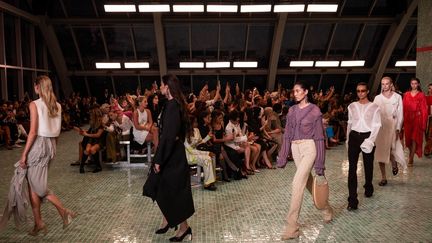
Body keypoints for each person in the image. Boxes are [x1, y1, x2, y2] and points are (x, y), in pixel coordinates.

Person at [17, 76, 76, 235]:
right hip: (50, 146)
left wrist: (24, 155)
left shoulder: (34, 104)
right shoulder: (57, 105)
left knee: (38, 186)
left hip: (39, 145)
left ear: (37, 87)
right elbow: (56, 132)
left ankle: (64, 211)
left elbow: (33, 132)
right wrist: (53, 148)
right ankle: (38, 223)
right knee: (33, 185)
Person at [277, 81, 333, 240]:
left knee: (296, 183)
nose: (295, 94)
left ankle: (292, 226)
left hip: (309, 148)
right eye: (293, 91)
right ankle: (326, 208)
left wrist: (320, 166)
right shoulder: (292, 110)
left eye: (297, 91)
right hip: (295, 148)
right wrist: (282, 156)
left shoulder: (315, 111)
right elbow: (287, 134)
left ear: (306, 92)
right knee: (307, 182)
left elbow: (320, 138)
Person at [151, 74, 194, 242]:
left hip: (172, 157)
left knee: (172, 192)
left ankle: (184, 228)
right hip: (170, 153)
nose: (159, 87)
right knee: (161, 189)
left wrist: (159, 160)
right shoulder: (170, 104)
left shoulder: (173, 106)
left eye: (161, 85)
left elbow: (169, 136)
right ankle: (168, 219)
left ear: (167, 86)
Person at [346, 82, 381, 211]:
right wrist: (347, 140)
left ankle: (368, 186)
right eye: (358, 91)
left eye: (363, 91)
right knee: (352, 169)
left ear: (367, 92)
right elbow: (350, 123)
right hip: (354, 137)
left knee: (368, 165)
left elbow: (377, 125)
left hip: (368, 136)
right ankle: (352, 200)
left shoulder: (375, 107)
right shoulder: (351, 106)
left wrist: (370, 140)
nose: (360, 93)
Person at [373, 77, 406, 186]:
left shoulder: (397, 97)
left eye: (387, 84)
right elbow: (373, 114)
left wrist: (398, 129)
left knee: (392, 148)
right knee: (381, 152)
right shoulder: (377, 98)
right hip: (381, 127)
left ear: (391, 84)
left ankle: (394, 164)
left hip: (393, 125)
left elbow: (400, 114)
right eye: (383, 84)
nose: (384, 86)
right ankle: (383, 178)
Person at [402, 77, 428, 166]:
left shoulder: (421, 95)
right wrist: (401, 122)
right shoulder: (406, 94)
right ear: (410, 84)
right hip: (408, 120)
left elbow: (424, 109)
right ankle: (411, 153)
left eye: (415, 83)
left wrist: (424, 122)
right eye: (412, 83)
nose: (414, 85)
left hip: (417, 119)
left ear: (418, 84)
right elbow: (403, 108)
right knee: (408, 140)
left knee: (414, 139)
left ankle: (411, 158)